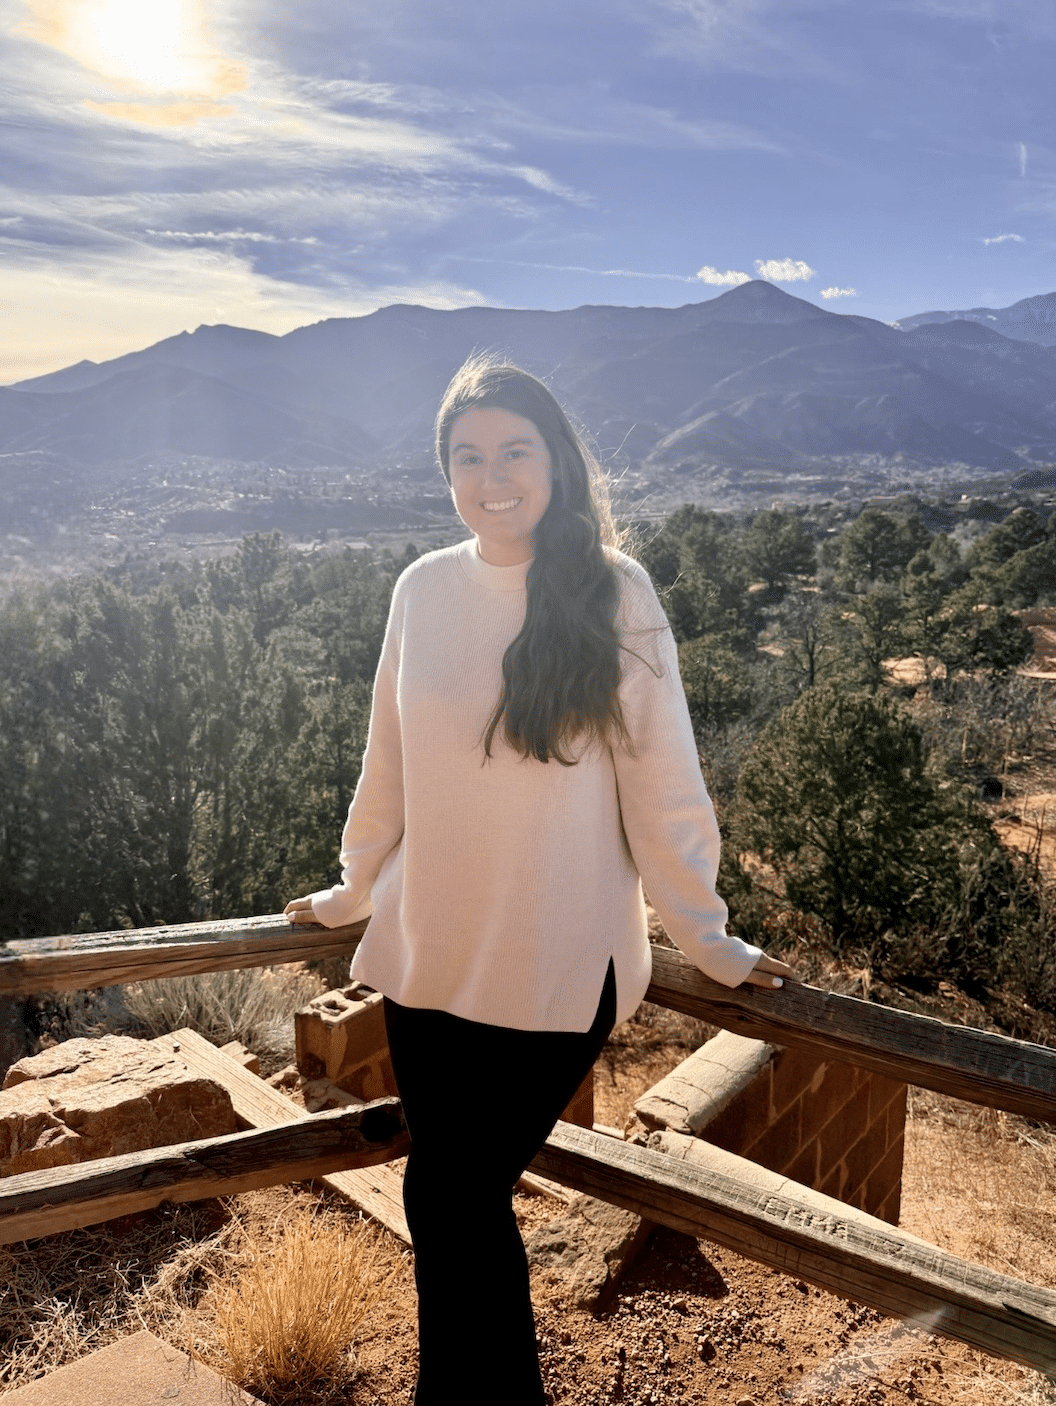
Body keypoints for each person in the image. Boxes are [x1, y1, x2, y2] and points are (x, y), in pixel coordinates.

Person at [284, 357, 792, 1405]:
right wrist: (351, 889)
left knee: (458, 1193)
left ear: (557, 459)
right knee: (445, 1196)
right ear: (446, 472)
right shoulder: (421, 589)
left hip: (559, 965)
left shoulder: (614, 591)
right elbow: (388, 760)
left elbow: (665, 785)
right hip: (430, 959)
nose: (493, 474)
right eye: (468, 455)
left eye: (516, 449)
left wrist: (708, 937)